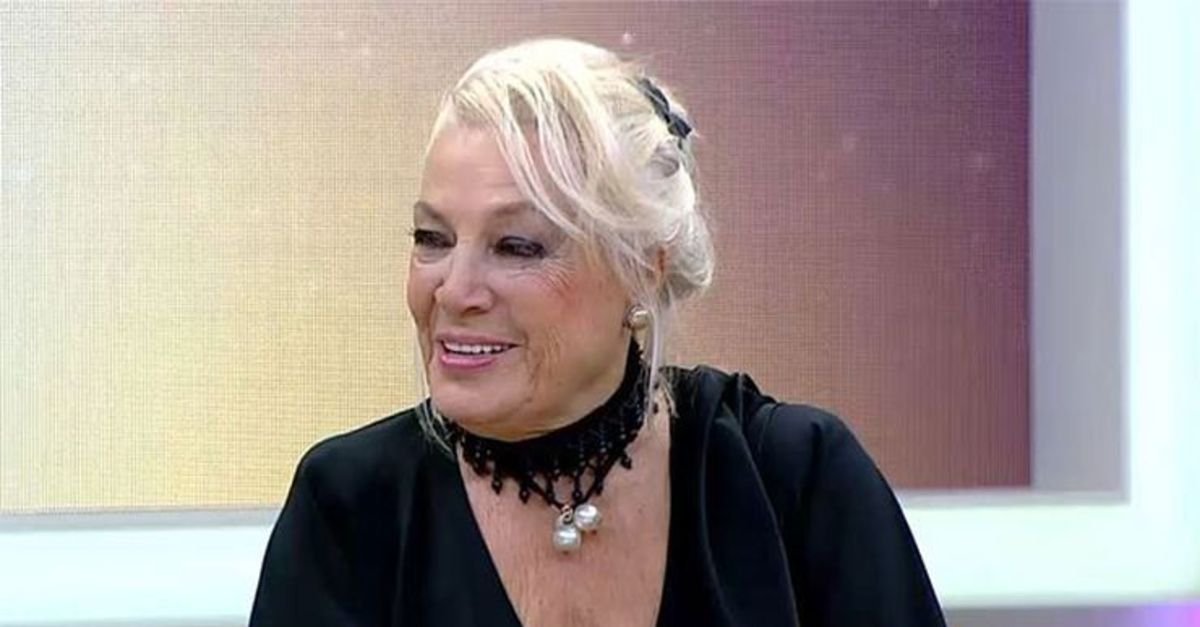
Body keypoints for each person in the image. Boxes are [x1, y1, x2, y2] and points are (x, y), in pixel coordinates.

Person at [250, 38, 945, 627]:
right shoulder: (349, 507)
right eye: (432, 238)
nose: (454, 291)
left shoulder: (795, 479)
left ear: (642, 268)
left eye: (517, 246)